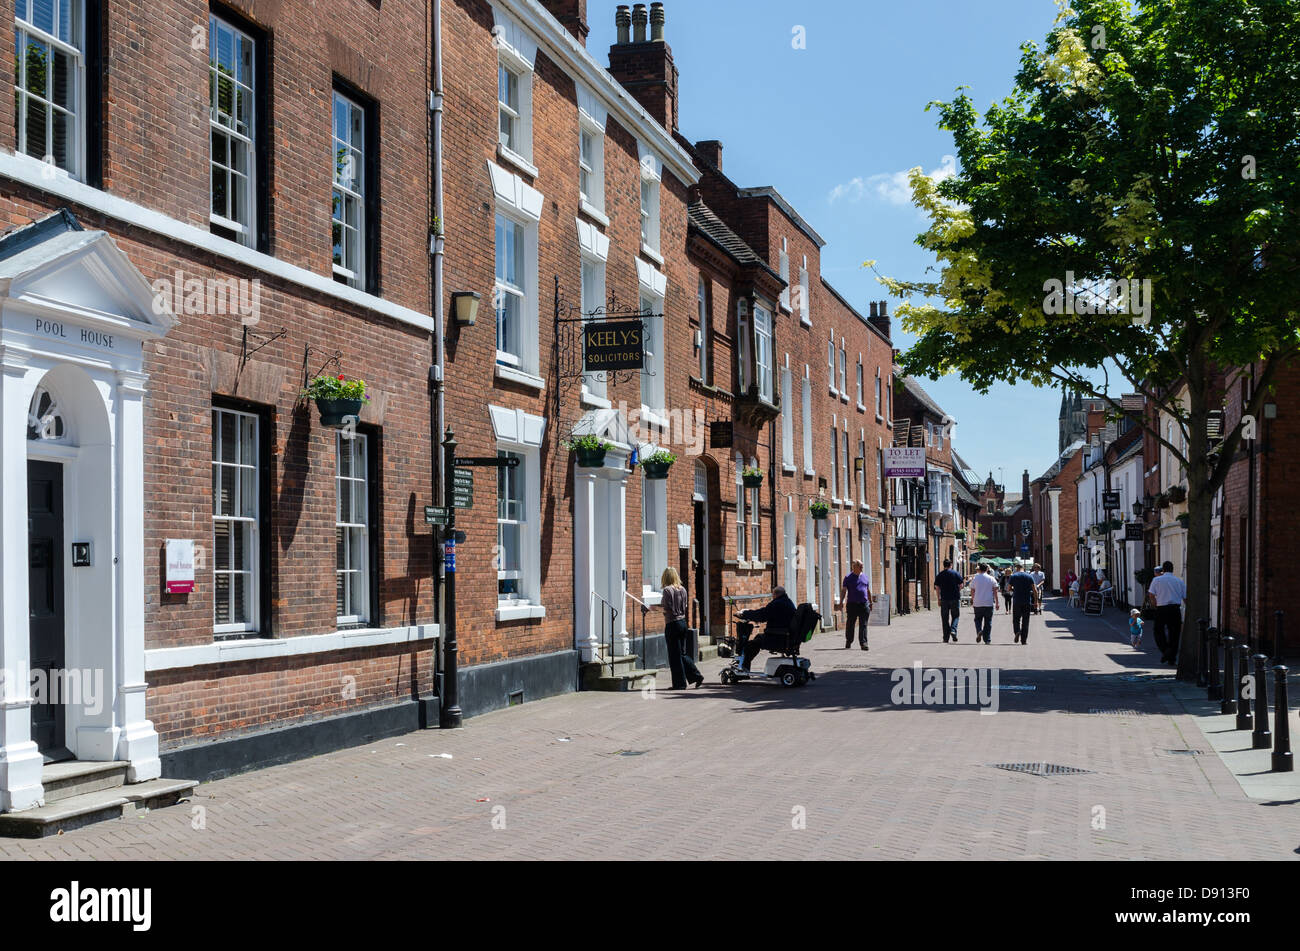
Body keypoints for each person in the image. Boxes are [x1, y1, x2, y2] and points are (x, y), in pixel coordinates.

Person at [660, 568, 704, 689]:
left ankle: (679, 684)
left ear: (666, 577)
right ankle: (696, 676)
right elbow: (684, 605)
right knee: (682, 654)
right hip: (683, 623)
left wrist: (651, 608)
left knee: (674, 655)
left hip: (672, 624)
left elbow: (666, 607)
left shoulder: (667, 590)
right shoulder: (683, 589)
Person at [736, 586, 797, 672]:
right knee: (759, 637)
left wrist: (745, 613)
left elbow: (762, 615)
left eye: (773, 595)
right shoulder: (788, 602)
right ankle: (744, 666)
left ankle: (743, 667)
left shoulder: (777, 604)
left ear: (775, 594)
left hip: (778, 638)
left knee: (751, 645)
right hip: (787, 637)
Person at [1146, 561, 1187, 665]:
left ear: (1163, 570)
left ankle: (1165, 651)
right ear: (1172, 569)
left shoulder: (1157, 580)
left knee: (1158, 631)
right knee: (1175, 633)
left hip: (1162, 609)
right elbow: (1185, 598)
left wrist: (1154, 604)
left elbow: (1151, 594)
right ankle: (1171, 656)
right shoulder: (1179, 581)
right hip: (1175, 609)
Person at [839, 559, 874, 651]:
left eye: (862, 566)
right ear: (854, 567)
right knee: (850, 624)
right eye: (860, 566)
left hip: (864, 604)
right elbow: (844, 590)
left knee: (863, 624)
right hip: (852, 605)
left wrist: (870, 602)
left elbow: (868, 590)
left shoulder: (865, 577)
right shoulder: (848, 577)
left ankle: (863, 643)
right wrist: (841, 601)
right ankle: (849, 640)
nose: (862, 567)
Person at [968, 563, 1000, 644]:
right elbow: (995, 591)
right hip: (988, 602)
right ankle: (987, 639)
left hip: (978, 602)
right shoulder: (991, 578)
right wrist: (997, 602)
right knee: (988, 621)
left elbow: (972, 590)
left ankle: (979, 630)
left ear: (980, 569)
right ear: (987, 569)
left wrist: (972, 599)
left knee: (977, 619)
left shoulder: (975, 578)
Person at [934, 559, 964, 643]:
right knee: (955, 616)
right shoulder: (955, 573)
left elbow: (937, 587)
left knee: (944, 618)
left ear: (944, 565)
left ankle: (945, 638)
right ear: (951, 564)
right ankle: (953, 630)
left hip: (944, 599)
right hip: (954, 598)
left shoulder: (940, 575)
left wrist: (938, 598)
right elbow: (961, 585)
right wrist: (957, 590)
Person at [1008, 567, 1037, 644]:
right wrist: (1036, 602)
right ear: (1023, 569)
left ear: (1017, 569)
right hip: (1027, 601)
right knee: (1025, 621)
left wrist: (1014, 590)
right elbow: (1035, 590)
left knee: (1016, 619)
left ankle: (1017, 631)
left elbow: (1009, 588)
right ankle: (1024, 640)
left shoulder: (1013, 576)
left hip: (1016, 601)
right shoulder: (1029, 576)